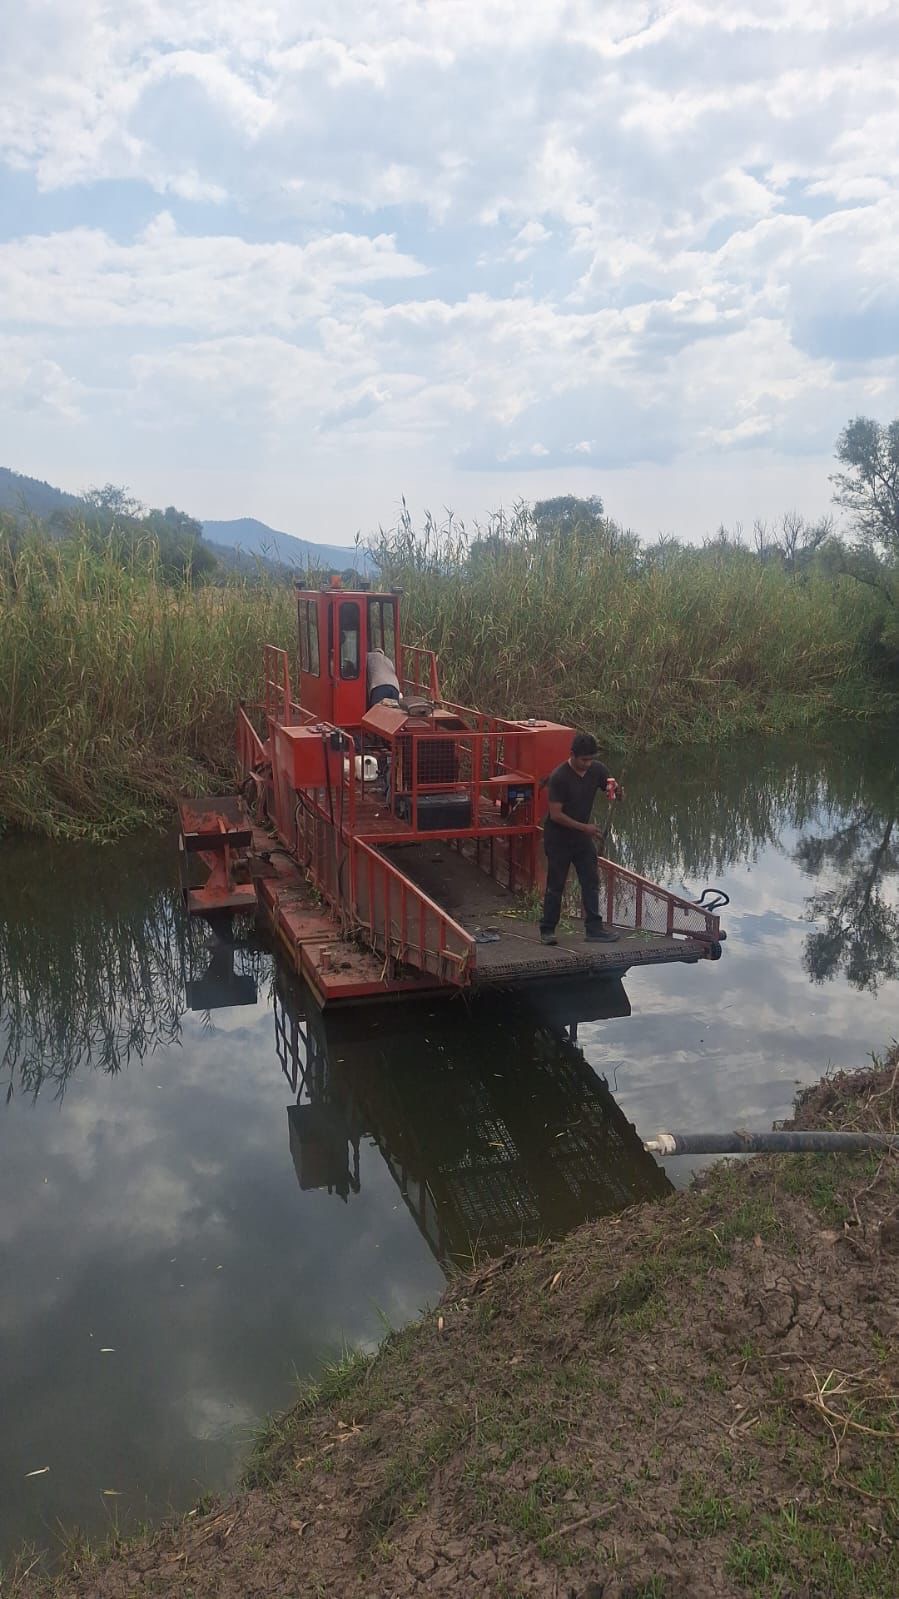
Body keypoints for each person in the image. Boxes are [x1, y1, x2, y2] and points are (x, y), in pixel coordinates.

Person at [539, 733, 621, 945]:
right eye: (583, 759)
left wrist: (617, 792)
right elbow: (556, 814)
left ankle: (594, 929)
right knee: (556, 885)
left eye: (590, 759)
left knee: (591, 881)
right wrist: (585, 828)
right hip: (558, 838)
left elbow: (611, 789)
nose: (587, 763)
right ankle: (547, 930)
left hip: (582, 838)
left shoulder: (597, 770)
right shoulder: (559, 777)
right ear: (572, 755)